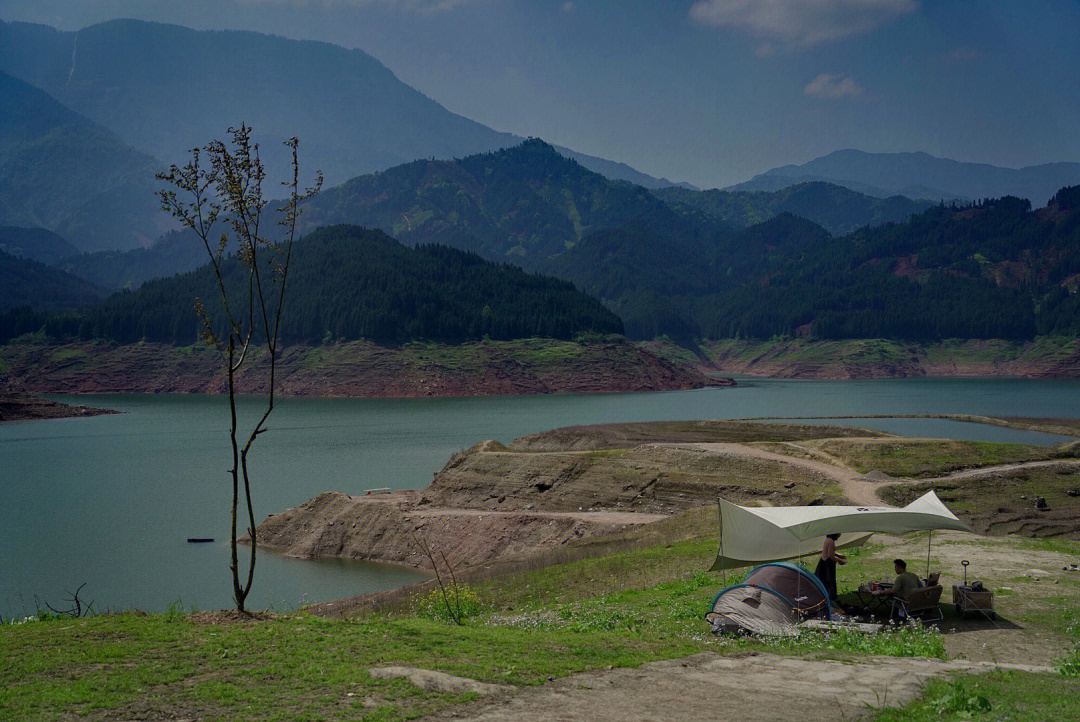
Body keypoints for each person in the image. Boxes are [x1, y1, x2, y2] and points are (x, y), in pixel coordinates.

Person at [814, 533, 846, 601]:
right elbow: (830, 555)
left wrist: (839, 555)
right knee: (829, 580)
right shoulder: (831, 541)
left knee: (825, 579)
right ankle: (831, 597)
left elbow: (830, 551)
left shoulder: (827, 540)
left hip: (824, 561)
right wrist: (840, 560)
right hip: (827, 564)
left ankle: (826, 596)